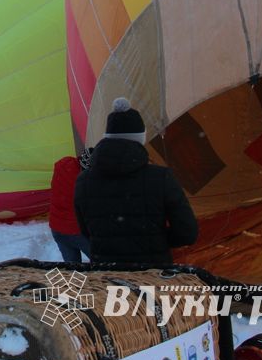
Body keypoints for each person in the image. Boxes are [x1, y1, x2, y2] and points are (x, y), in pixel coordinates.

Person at [74, 98, 198, 265]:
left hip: (107, 276)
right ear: (140, 139)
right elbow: (187, 233)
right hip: (152, 273)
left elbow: (86, 231)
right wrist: (156, 241)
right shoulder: (161, 177)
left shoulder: (83, 181)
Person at [48, 150, 92, 262]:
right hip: (77, 232)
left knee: (72, 268)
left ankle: (74, 279)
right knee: (102, 264)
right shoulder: (85, 183)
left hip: (57, 229)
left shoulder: (63, 166)